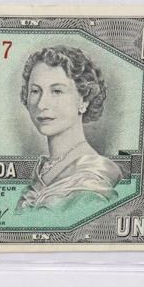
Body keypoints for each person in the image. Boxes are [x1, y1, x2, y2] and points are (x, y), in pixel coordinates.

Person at [17, 46, 122, 211]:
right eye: (35, 91)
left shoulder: (92, 183)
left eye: (57, 91)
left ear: (84, 100)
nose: (41, 104)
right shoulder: (43, 171)